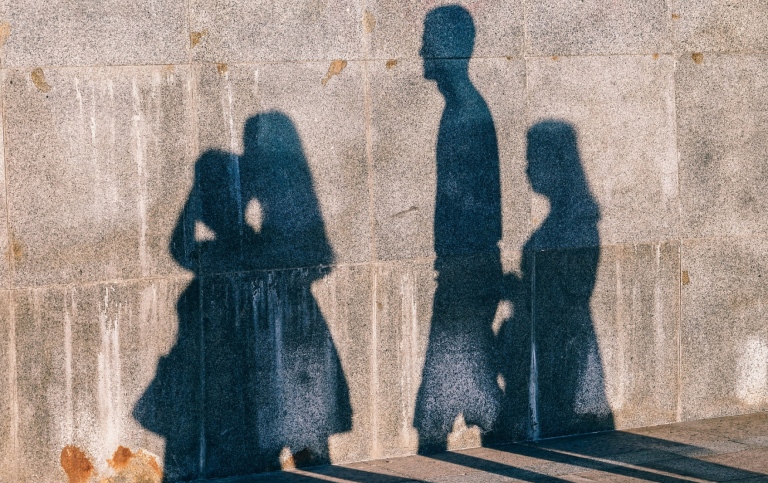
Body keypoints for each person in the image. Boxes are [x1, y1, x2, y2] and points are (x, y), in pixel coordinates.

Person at [134, 111, 351, 480]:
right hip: (269, 317)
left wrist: (242, 249)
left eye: (256, 139)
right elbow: (181, 246)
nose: (251, 147)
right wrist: (232, 242)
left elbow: (316, 259)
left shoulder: (283, 183)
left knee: (291, 431)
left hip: (283, 320)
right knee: (272, 434)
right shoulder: (247, 176)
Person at [413, 5, 504, 453]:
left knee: (447, 386)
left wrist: (455, 261)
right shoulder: (464, 107)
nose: (421, 50)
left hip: (465, 264)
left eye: (427, 40)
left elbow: (472, 201)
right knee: (466, 376)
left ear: (449, 47)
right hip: (465, 261)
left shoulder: (466, 113)